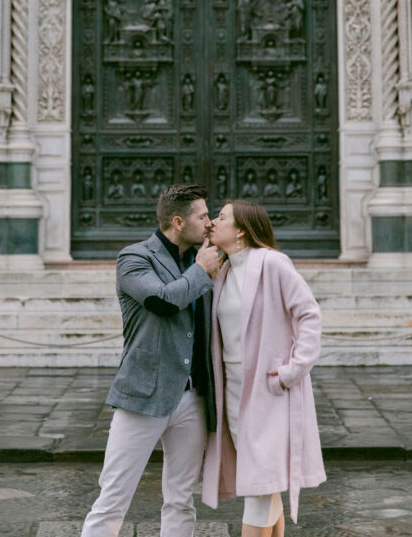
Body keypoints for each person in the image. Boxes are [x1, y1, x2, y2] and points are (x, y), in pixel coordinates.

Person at [80, 182, 221, 537]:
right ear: (178, 222)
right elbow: (161, 301)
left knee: (181, 499)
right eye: (203, 216)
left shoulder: (203, 259)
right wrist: (202, 272)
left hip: (194, 397)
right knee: (113, 498)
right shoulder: (134, 258)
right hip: (143, 395)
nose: (209, 222)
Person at [203, 200, 325, 536]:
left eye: (222, 217)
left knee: (258, 484)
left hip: (269, 391)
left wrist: (292, 371)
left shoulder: (273, 263)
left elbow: (309, 315)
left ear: (241, 228)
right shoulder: (224, 271)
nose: (213, 221)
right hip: (233, 389)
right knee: (264, 481)